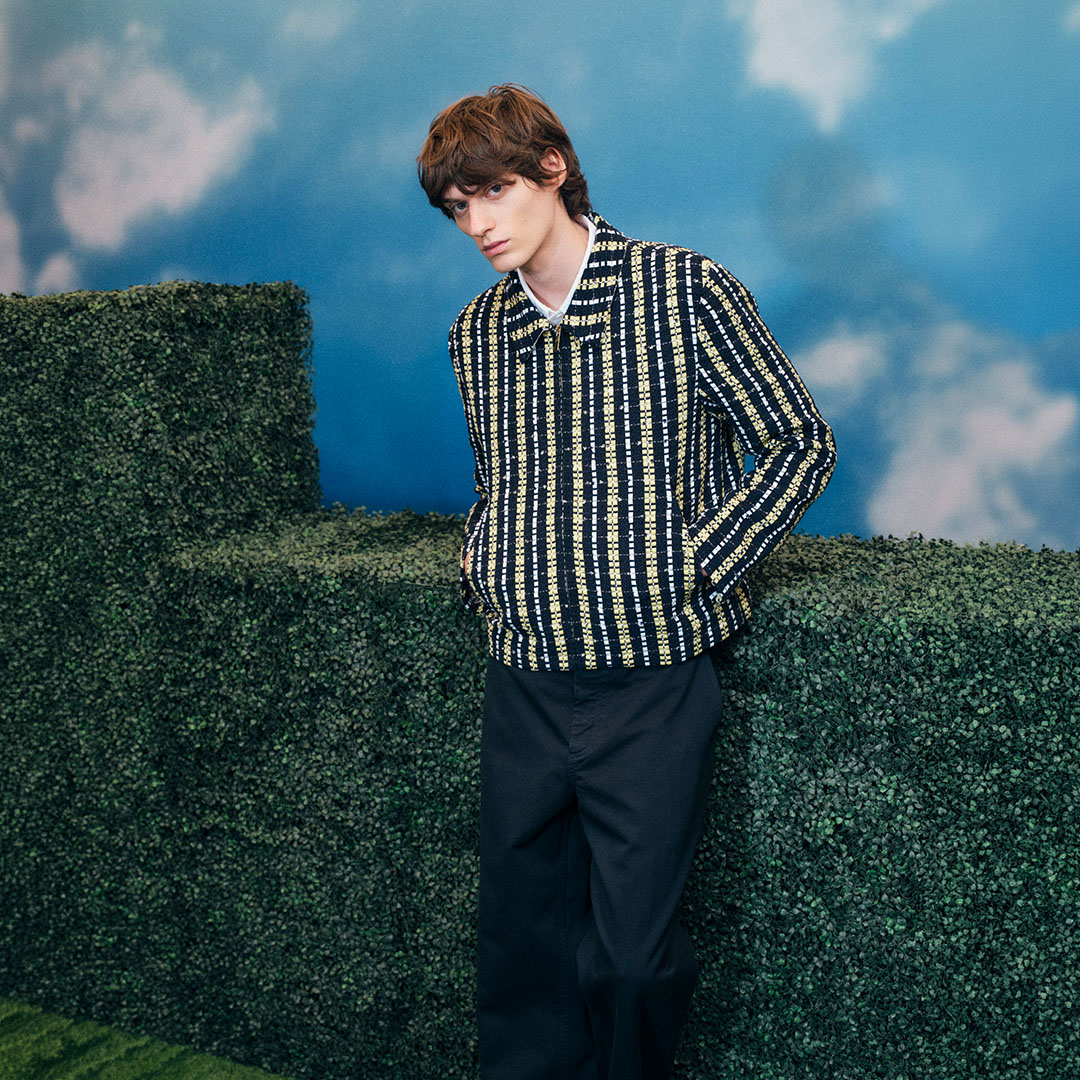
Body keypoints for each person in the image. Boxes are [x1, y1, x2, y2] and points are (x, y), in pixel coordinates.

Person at [417, 84, 835, 1080]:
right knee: (521, 952)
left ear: (552, 170)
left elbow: (797, 444)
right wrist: (488, 568)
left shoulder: (685, 291)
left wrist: (693, 570)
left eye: (492, 191)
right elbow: (497, 484)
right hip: (523, 681)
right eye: (457, 207)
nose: (476, 223)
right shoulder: (476, 334)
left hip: (650, 685)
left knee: (634, 963)